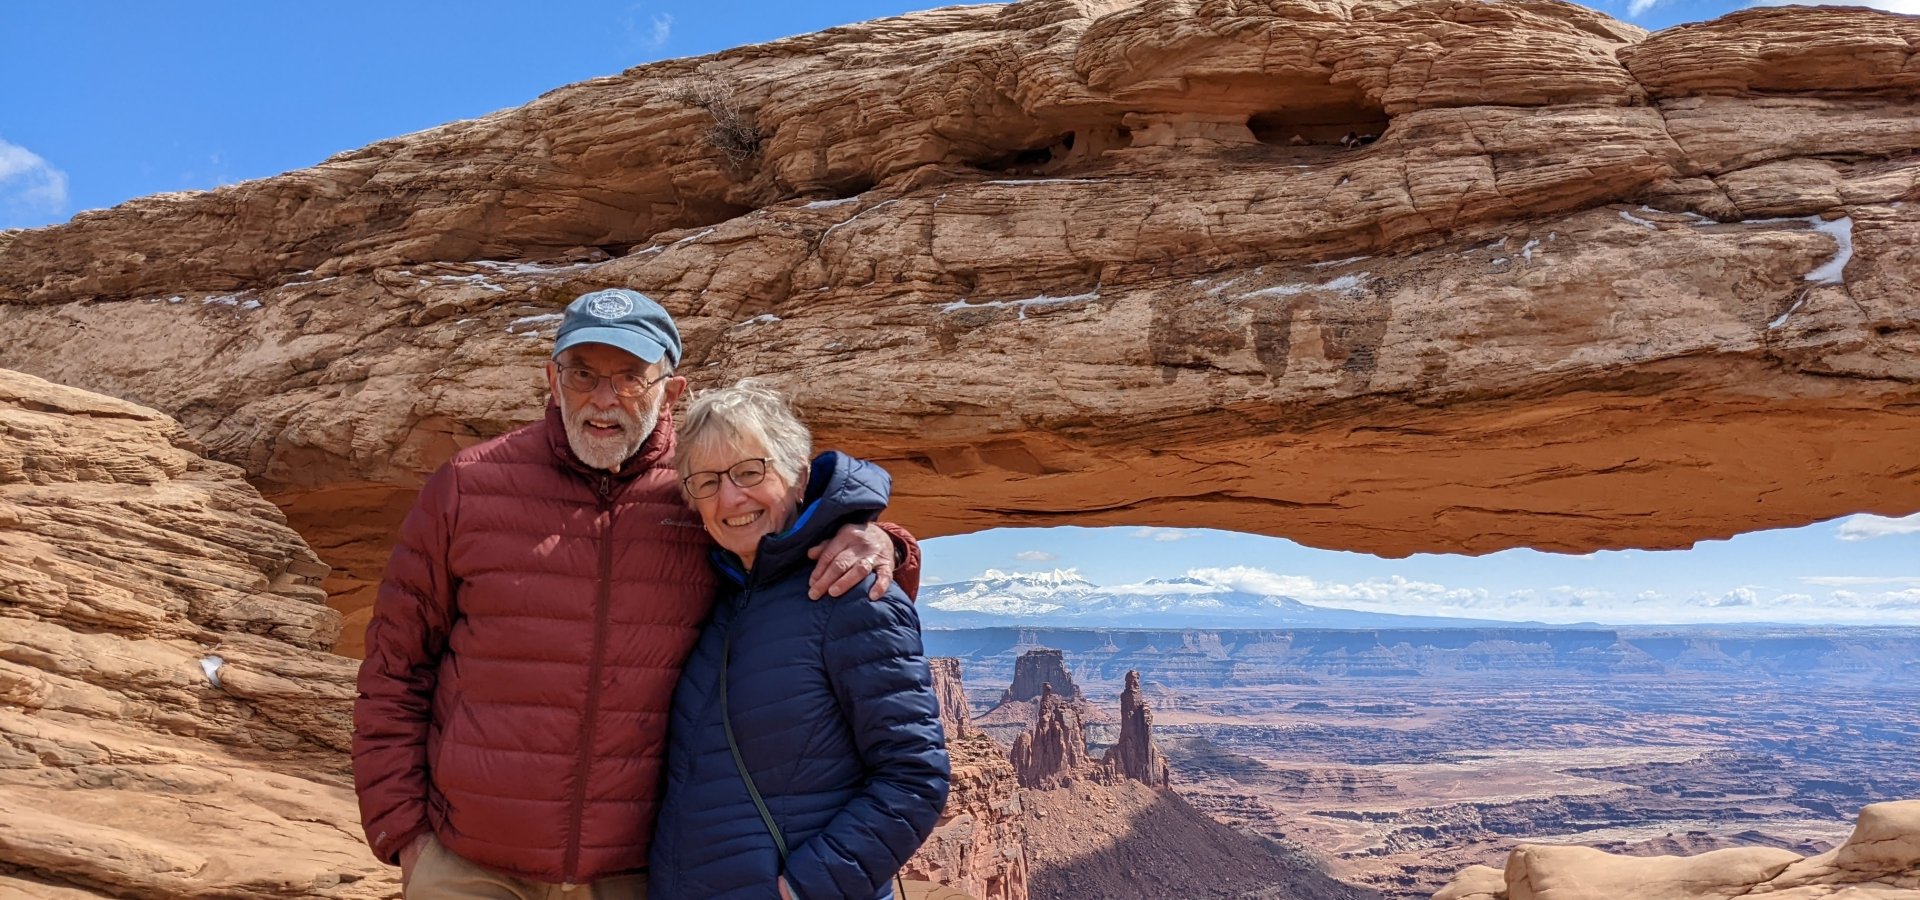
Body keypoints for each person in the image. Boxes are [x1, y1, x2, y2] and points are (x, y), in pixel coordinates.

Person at [353, 288, 920, 898]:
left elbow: (784, 535)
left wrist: (880, 538)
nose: (603, 399)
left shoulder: (699, 487)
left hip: (631, 875)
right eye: (583, 374)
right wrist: (405, 834)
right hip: (470, 865)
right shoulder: (468, 487)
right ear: (552, 379)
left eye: (630, 377)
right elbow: (394, 667)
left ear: (671, 391)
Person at [648, 381, 948, 900]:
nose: (730, 497)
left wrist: (803, 889)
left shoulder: (853, 591)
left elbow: (915, 776)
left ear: (799, 475)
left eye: (750, 471)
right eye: (707, 480)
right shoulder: (723, 595)